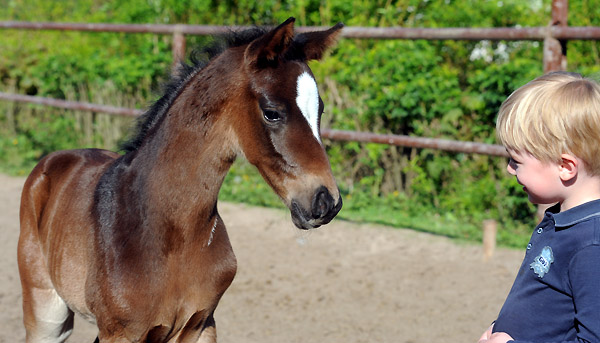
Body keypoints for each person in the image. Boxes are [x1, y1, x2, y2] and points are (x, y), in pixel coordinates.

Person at [478, 71, 600, 343]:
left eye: (516, 161)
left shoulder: (590, 246)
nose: (509, 170)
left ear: (565, 167)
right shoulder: (564, 220)